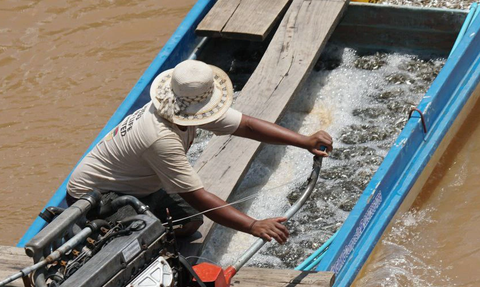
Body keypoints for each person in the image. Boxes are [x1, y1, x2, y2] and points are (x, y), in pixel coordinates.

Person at [67, 60, 332, 244]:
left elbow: (247, 125)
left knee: (190, 224)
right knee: (143, 242)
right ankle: (101, 238)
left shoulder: (178, 105)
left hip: (137, 187)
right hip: (95, 197)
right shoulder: (161, 138)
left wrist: (304, 140)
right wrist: (252, 225)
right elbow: (199, 198)